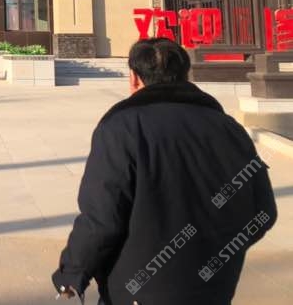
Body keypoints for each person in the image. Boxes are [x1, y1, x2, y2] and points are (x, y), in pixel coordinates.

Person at [52, 38, 277, 304]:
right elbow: (264, 211)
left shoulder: (122, 128)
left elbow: (102, 218)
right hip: (214, 291)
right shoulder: (229, 128)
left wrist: (72, 272)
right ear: (185, 75)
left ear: (134, 78)